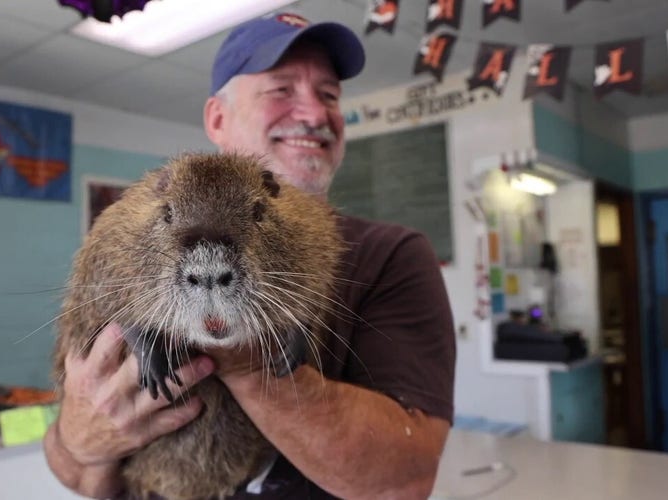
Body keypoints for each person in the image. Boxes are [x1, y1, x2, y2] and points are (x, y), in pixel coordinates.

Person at [44, 12, 455, 500]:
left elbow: (405, 482)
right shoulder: (133, 230)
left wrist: (249, 363)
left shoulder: (391, 254)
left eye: (329, 95)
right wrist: (79, 440)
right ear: (218, 118)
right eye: (281, 90)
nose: (315, 113)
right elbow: (83, 478)